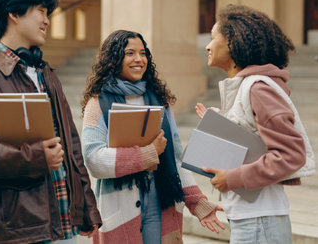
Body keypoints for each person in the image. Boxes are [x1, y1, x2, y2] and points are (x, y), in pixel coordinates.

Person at [0, 0, 102, 244]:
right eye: (41, 12)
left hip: (64, 223)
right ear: (13, 12)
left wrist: (88, 209)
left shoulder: (45, 71)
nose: (47, 21)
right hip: (14, 231)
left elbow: (71, 145)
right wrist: (34, 158)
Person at [81, 29, 225, 244]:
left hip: (162, 204)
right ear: (113, 58)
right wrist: (147, 154)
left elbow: (175, 159)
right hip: (121, 211)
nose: (139, 59)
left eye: (143, 53)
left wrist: (197, 202)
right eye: (129, 53)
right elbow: (94, 160)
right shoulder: (97, 104)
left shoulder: (159, 101)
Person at [196, 4, 315, 244]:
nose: (207, 46)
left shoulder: (258, 88)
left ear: (232, 42)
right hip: (252, 218)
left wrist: (232, 179)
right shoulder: (249, 87)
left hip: (259, 220)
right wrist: (221, 123)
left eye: (212, 38)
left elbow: (291, 154)